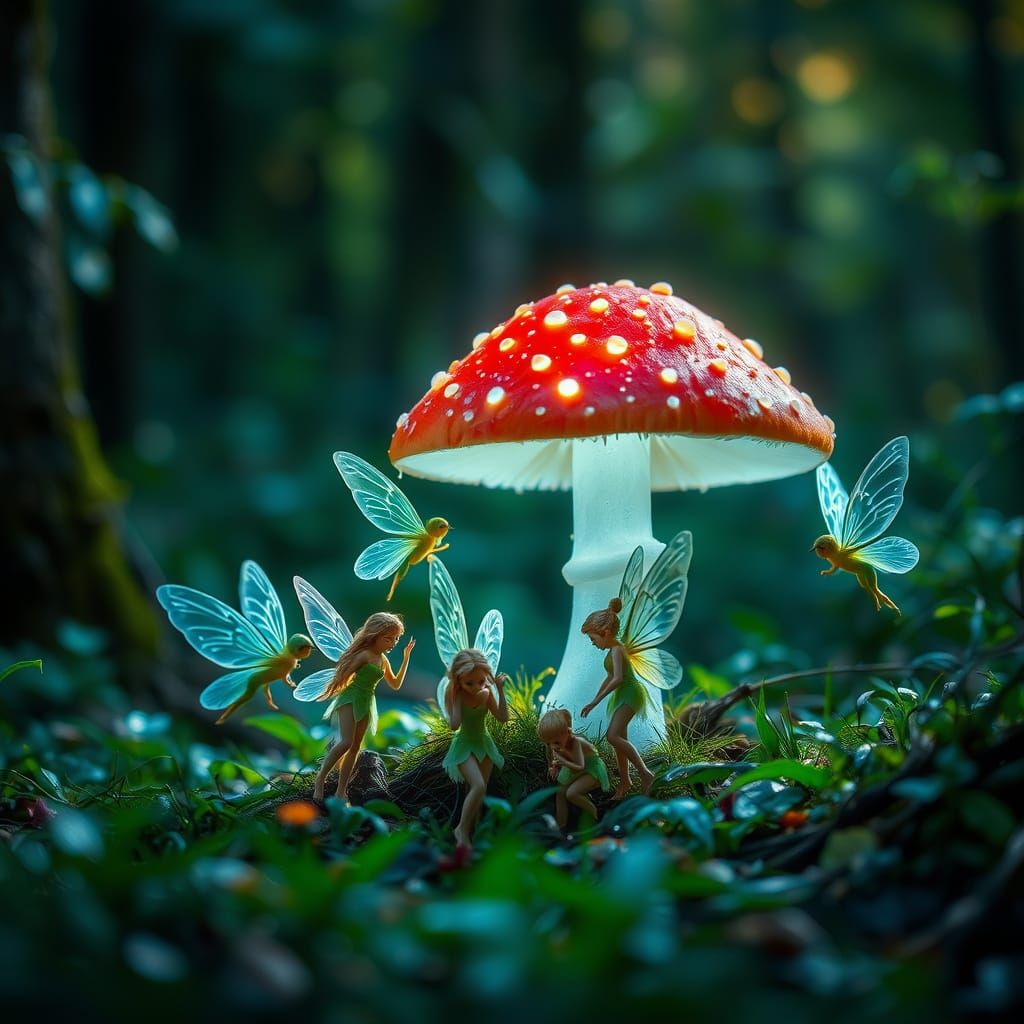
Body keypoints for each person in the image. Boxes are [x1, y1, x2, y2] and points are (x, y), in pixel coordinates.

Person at [312, 611, 414, 803]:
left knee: (355, 747)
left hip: (367, 702)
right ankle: (320, 779)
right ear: (374, 636)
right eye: (388, 639)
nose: (392, 643)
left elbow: (396, 684)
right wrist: (329, 690)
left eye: (395, 639)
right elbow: (343, 675)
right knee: (345, 742)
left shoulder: (383, 659)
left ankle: (342, 790)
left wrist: (406, 657)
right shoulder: (364, 655)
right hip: (351, 699)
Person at [580, 598, 656, 798]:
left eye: (593, 639)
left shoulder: (617, 649)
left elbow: (618, 678)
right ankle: (625, 782)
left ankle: (645, 773)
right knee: (620, 737)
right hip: (622, 694)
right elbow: (609, 678)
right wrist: (593, 701)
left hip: (630, 693)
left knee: (612, 736)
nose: (593, 644)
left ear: (605, 633)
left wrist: (597, 701)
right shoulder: (611, 652)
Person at [442, 648, 509, 849]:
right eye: (469, 683)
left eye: (480, 681)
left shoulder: (486, 694)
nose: (475, 687)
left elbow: (503, 717)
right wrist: (454, 700)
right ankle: (461, 829)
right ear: (458, 680)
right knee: (477, 785)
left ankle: (475, 833)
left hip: (484, 743)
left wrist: (500, 690)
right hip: (463, 745)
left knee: (480, 791)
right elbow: (454, 725)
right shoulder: (458, 696)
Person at [537, 706, 609, 830]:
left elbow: (580, 767)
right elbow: (551, 759)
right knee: (560, 791)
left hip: (589, 769)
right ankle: (561, 824)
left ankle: (595, 814)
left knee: (572, 792)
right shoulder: (553, 744)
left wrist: (564, 762)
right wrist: (553, 767)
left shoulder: (577, 742)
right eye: (548, 743)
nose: (552, 746)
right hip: (571, 767)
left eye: (556, 742)